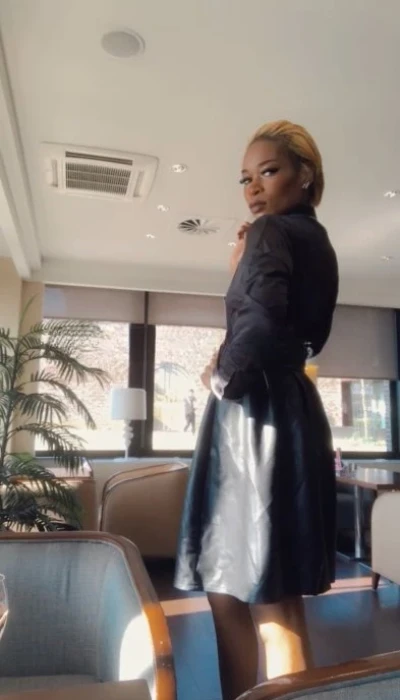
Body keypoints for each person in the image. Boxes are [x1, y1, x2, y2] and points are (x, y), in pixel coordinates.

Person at [174, 120, 339, 700]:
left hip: (254, 417)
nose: (253, 188)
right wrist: (242, 271)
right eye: (245, 178)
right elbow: (302, 334)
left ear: (305, 174)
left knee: (262, 594)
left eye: (268, 171)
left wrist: (218, 375)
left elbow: (261, 327)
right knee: (249, 589)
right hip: (286, 409)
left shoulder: (270, 231)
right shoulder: (317, 241)